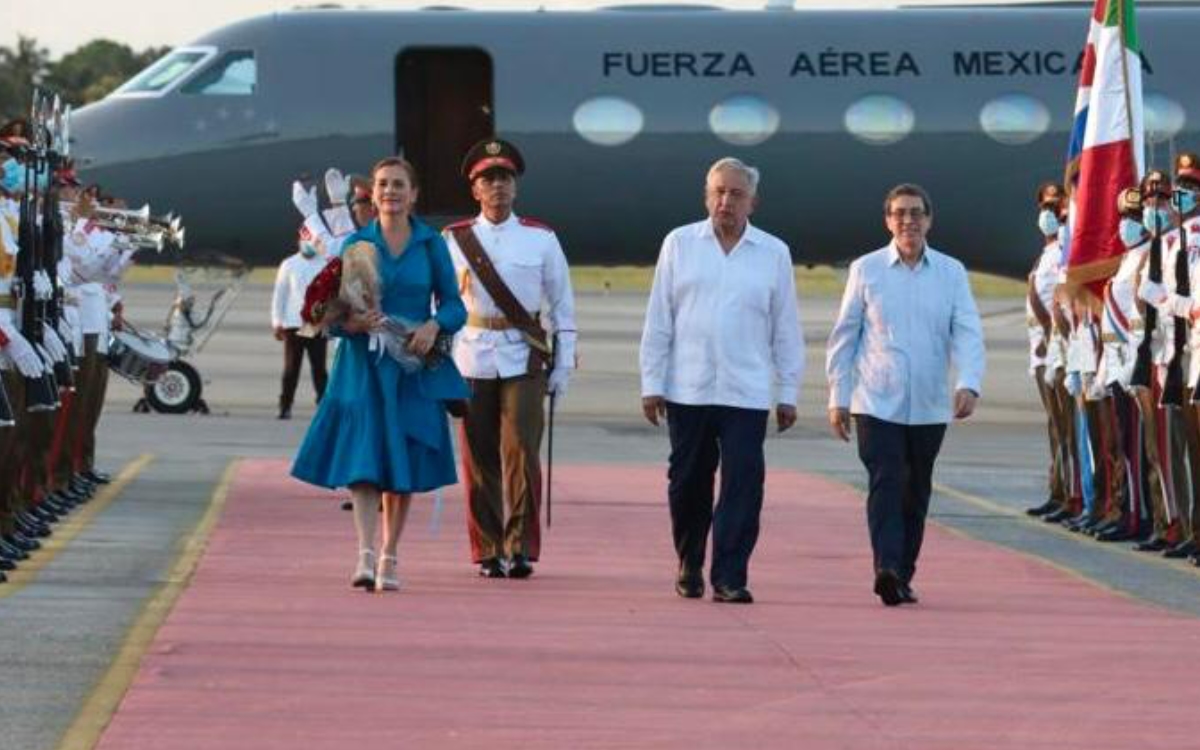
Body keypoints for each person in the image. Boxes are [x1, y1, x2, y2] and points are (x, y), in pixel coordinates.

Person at [291, 157, 468, 592]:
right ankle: (365, 554)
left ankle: (391, 554)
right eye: (383, 185)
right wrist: (349, 323)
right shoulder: (355, 244)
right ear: (373, 192)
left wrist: (433, 325)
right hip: (362, 367)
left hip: (409, 364)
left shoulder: (431, 245)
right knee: (364, 461)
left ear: (413, 194)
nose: (390, 192)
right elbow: (330, 315)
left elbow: (455, 305)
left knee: (399, 459)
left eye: (398, 185)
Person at [639, 157, 803, 604]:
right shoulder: (679, 244)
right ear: (706, 195)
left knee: (743, 484)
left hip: (746, 391)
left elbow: (785, 329)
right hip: (687, 387)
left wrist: (787, 392)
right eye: (718, 192)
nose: (725, 201)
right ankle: (690, 560)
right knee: (688, 482)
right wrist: (651, 382)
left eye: (735, 194)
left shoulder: (773, 253)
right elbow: (660, 319)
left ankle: (730, 574)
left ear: (753, 201)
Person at [825, 183, 985, 607]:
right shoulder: (867, 269)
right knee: (886, 481)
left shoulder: (951, 272)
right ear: (887, 221)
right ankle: (887, 568)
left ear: (929, 220)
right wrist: (838, 396)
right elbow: (845, 336)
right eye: (899, 213)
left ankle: (903, 572)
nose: (908, 221)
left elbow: (967, 330)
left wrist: (969, 381)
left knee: (916, 491)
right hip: (877, 400)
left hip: (930, 404)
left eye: (916, 213)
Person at [444, 138, 576, 579]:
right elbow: (438, 304)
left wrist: (563, 363)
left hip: (524, 357)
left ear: (515, 188)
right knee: (479, 457)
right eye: (488, 180)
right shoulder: (455, 239)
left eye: (504, 179)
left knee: (522, 451)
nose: (497, 187)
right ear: (475, 190)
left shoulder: (541, 238)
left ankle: (519, 547)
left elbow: (562, 306)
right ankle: (487, 548)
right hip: (471, 354)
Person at [1024, 183, 1074, 520]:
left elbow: (1060, 302)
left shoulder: (1064, 252)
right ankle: (1058, 491)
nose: (1049, 214)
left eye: (1055, 208)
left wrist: (1048, 332)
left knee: (1065, 426)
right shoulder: (1047, 253)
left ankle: (1071, 496)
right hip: (1040, 354)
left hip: (1055, 350)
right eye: (1044, 207)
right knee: (1054, 428)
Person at [271, 228, 329, 419]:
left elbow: (329, 296)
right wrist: (277, 321)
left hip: (315, 323)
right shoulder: (289, 265)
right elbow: (280, 295)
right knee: (291, 369)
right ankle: (285, 405)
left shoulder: (325, 264)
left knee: (319, 369)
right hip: (293, 323)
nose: (309, 245)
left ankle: (324, 405)